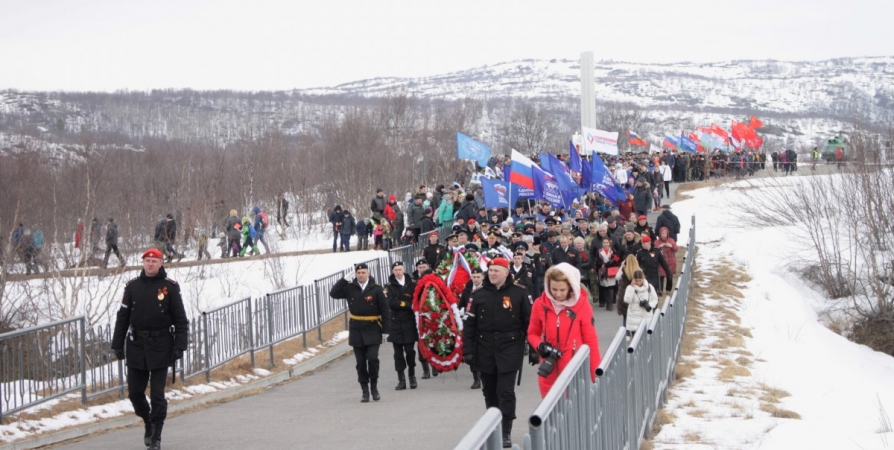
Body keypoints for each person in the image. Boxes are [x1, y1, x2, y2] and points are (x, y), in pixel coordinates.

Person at [111, 248, 189, 450]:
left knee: (157, 395)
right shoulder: (132, 287)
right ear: (143, 263)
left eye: (155, 261)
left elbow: (181, 320)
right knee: (135, 393)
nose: (151, 264)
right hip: (136, 346)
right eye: (147, 261)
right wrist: (117, 345)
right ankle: (147, 421)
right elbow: (123, 317)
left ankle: (156, 436)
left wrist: (180, 346)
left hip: (161, 346)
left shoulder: (169, 287)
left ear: (162, 263)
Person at [462, 257, 531, 448]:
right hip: (485, 347)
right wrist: (467, 351)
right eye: (490, 270)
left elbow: (529, 323)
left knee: (506, 391)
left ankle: (506, 430)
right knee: (490, 391)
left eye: (496, 271)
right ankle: (493, 426)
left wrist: (534, 349)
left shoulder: (519, 293)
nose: (492, 274)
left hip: (510, 346)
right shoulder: (478, 295)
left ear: (506, 273)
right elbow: (469, 325)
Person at [527, 263, 601, 397]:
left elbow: (591, 342)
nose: (557, 294)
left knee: (575, 411)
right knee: (551, 412)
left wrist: (596, 376)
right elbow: (532, 333)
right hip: (549, 367)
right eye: (553, 289)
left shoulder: (582, 306)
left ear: (571, 287)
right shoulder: (539, 304)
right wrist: (539, 345)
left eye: (562, 290)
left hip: (574, 367)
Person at [329, 263, 391, 403]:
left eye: (363, 272)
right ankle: (364, 390)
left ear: (368, 273)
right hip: (357, 328)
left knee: (373, 358)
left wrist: (386, 330)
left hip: (373, 327)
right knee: (360, 362)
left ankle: (374, 387)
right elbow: (333, 293)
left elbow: (385, 310)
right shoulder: (350, 288)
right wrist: (344, 279)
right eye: (359, 273)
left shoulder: (376, 289)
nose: (361, 275)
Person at [385, 262, 419, 390]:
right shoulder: (388, 286)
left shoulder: (412, 283)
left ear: (404, 269)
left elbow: (416, 299)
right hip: (396, 322)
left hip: (409, 322)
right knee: (398, 353)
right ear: (393, 271)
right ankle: (401, 379)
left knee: (410, 351)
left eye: (400, 269)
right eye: (396, 270)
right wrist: (407, 304)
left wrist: (407, 304)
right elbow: (391, 302)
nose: (398, 272)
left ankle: (412, 376)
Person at [459, 266, 486, 389]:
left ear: (483, 277)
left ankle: (485, 375)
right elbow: (462, 304)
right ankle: (476, 378)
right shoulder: (467, 290)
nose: (475, 279)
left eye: (478, 277)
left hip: (484, 324)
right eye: (474, 277)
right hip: (470, 324)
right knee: (472, 351)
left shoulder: (487, 289)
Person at [623, 270, 658, 336]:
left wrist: (649, 305)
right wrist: (632, 288)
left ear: (643, 279)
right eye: (636, 281)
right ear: (633, 280)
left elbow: (655, 299)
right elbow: (627, 300)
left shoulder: (649, 287)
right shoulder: (629, 288)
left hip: (646, 318)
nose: (638, 283)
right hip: (634, 319)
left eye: (640, 280)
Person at [593, 237, 621, 310]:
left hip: (611, 270)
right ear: (602, 244)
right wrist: (603, 264)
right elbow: (596, 261)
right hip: (602, 271)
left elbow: (617, 260)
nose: (605, 244)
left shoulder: (613, 251)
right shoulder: (599, 251)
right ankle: (607, 302)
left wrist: (612, 262)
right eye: (604, 243)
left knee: (611, 286)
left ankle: (610, 303)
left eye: (607, 243)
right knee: (604, 286)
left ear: (609, 243)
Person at [615, 255, 642, 330]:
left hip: (624, 295)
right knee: (634, 316)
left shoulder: (624, 271)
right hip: (635, 295)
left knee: (625, 316)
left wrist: (621, 266)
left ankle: (626, 333)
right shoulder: (638, 271)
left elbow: (617, 277)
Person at [655, 227, 678, 292]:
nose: (663, 234)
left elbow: (676, 249)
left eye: (665, 233)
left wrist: (671, 246)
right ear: (660, 234)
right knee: (661, 276)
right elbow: (654, 251)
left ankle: (668, 290)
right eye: (662, 233)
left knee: (670, 276)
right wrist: (659, 247)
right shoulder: (657, 242)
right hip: (661, 262)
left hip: (671, 261)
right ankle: (660, 290)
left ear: (667, 233)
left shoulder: (671, 240)